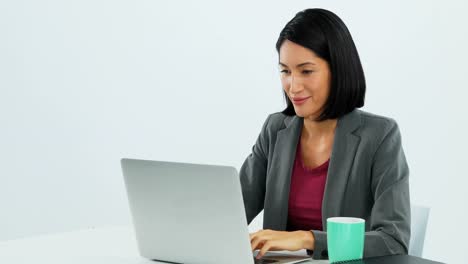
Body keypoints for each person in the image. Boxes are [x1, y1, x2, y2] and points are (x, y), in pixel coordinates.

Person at [240, 8, 410, 260]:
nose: (293, 86)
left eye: (306, 71)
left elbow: (393, 240)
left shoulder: (380, 136)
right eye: (285, 71)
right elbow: (231, 212)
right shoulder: (275, 129)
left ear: (338, 70)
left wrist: (306, 237)